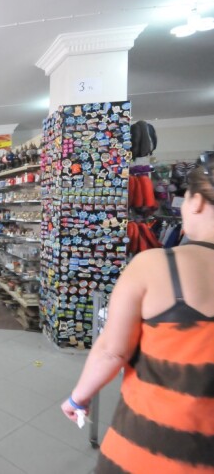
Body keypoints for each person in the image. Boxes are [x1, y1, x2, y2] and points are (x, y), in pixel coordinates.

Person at [61, 152, 214, 473]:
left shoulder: (155, 265)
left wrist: (78, 398)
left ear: (197, 202)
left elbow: (111, 351)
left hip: (150, 444)